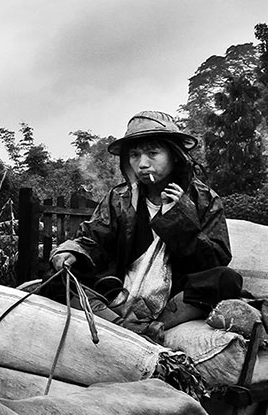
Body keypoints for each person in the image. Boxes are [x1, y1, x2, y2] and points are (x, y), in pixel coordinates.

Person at [47, 110, 242, 340]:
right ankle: (123, 326)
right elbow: (92, 239)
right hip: (115, 292)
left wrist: (180, 218)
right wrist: (71, 251)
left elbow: (215, 259)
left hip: (174, 299)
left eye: (153, 153)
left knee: (226, 279)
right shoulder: (119, 198)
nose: (143, 164)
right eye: (135, 155)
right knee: (57, 277)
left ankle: (158, 326)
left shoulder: (204, 199)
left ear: (174, 155)